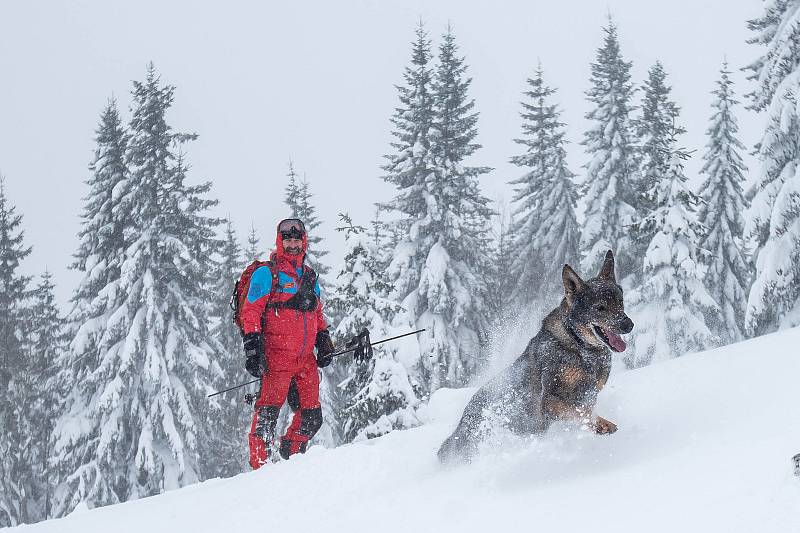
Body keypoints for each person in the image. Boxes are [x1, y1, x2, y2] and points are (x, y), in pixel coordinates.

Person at [237, 218, 335, 469]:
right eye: (288, 240)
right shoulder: (266, 273)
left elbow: (317, 312)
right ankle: (260, 471)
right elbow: (251, 312)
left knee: (311, 418)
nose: (293, 244)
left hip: (305, 362)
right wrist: (252, 348)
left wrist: (323, 339)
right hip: (276, 360)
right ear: (280, 242)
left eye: (297, 239)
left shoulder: (310, 277)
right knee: (266, 419)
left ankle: (293, 462)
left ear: (304, 241)